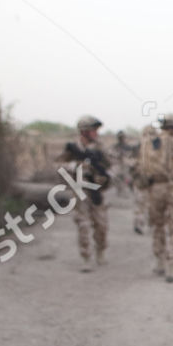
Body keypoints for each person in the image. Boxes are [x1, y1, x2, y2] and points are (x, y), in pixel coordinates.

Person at [136, 113, 173, 281]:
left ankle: (159, 262)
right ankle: (172, 267)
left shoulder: (149, 143)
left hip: (155, 189)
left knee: (157, 226)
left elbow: (141, 167)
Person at [54, 114, 112, 271]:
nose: (96, 133)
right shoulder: (73, 148)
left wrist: (103, 174)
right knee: (83, 224)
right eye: (94, 130)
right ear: (85, 131)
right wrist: (75, 166)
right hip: (80, 190)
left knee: (101, 225)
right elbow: (59, 164)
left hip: (97, 190)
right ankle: (86, 257)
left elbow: (110, 165)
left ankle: (101, 250)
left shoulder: (100, 148)